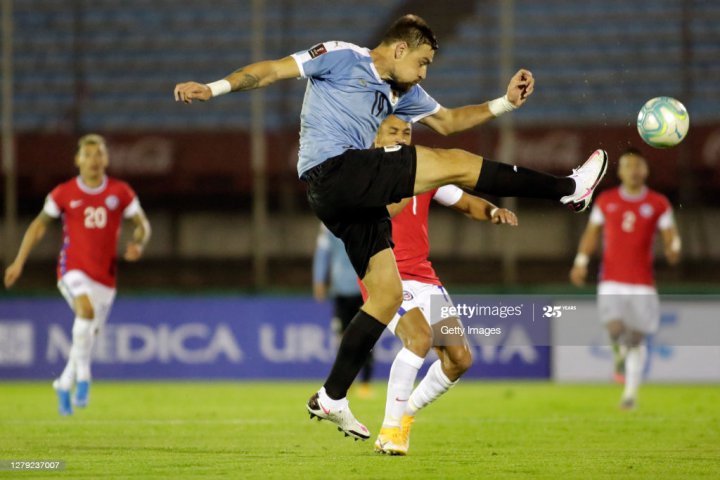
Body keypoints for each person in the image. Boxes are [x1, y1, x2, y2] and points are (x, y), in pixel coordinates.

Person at [175, 14, 607, 440]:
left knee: (386, 294)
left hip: (343, 200)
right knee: (454, 162)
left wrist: (506, 102)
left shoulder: (404, 92)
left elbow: (450, 120)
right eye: (422, 62)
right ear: (400, 49)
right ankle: (567, 189)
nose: (423, 73)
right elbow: (270, 71)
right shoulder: (342, 56)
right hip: (334, 170)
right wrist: (213, 88)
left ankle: (332, 395)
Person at [362, 115, 517, 454]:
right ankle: (389, 431)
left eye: (406, 132)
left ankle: (404, 417)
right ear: (374, 138)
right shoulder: (363, 173)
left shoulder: (425, 173)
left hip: (424, 278)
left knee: (459, 359)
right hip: (385, 277)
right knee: (419, 338)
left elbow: (465, 202)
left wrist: (492, 212)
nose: (402, 138)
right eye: (393, 132)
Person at [4, 134, 151, 416]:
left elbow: (141, 224)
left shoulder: (120, 192)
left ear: (107, 159)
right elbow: (38, 227)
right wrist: (19, 262)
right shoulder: (63, 193)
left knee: (88, 335)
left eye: (99, 154)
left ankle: (63, 382)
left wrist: (139, 243)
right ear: (77, 160)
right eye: (88, 154)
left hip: (105, 277)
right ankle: (84, 378)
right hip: (72, 269)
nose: (94, 160)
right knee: (85, 311)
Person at [570, 147, 680, 410]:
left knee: (636, 340)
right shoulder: (606, 200)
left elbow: (670, 235)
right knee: (616, 328)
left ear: (646, 171)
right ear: (620, 172)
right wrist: (581, 262)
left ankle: (629, 395)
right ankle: (619, 353)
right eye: (628, 165)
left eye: (638, 165)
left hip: (642, 284)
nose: (634, 170)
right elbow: (591, 234)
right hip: (611, 280)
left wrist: (673, 248)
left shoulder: (658, 203)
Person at [313, 224, 374, 398]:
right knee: (343, 337)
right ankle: (348, 381)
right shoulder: (328, 222)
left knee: (365, 335)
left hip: (363, 287)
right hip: (343, 289)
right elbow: (322, 253)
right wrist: (319, 280)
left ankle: (365, 382)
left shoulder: (363, 213)